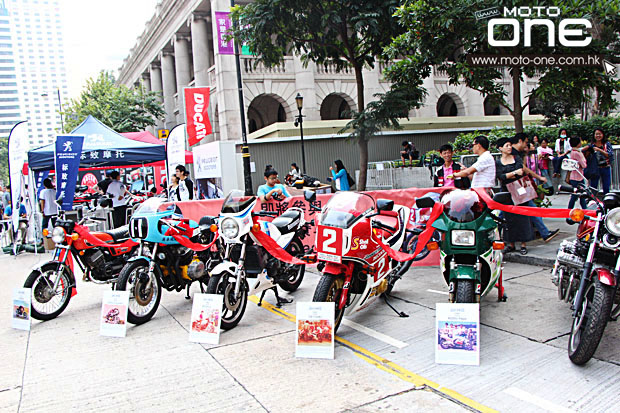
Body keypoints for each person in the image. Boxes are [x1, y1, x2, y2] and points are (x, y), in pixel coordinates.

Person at [510, 133, 560, 242]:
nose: (526, 145)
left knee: (529, 208)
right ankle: (544, 232)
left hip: (516, 185)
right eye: (526, 142)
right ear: (520, 141)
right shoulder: (512, 153)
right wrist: (538, 177)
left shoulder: (516, 153)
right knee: (505, 210)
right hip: (515, 185)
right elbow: (522, 168)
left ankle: (544, 232)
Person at [495, 138, 533, 255]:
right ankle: (511, 244)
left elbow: (521, 171)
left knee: (522, 217)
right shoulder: (497, 162)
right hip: (506, 192)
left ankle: (523, 244)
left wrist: (510, 175)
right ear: (500, 148)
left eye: (510, 145)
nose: (509, 147)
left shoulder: (516, 158)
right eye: (506, 145)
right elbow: (500, 176)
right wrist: (513, 173)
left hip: (519, 190)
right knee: (508, 218)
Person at [587, 128, 613, 194]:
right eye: (596, 134)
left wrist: (599, 150)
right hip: (595, 169)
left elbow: (609, 155)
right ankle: (593, 201)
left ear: (603, 135)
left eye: (600, 134)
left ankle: (606, 202)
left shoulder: (607, 144)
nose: (598, 136)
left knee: (606, 186)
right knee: (593, 186)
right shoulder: (591, 145)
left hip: (605, 167)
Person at [566, 137, 588, 213]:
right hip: (578, 177)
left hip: (574, 176)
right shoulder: (578, 153)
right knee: (577, 195)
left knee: (579, 195)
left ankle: (584, 210)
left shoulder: (572, 152)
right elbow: (584, 165)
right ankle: (570, 211)